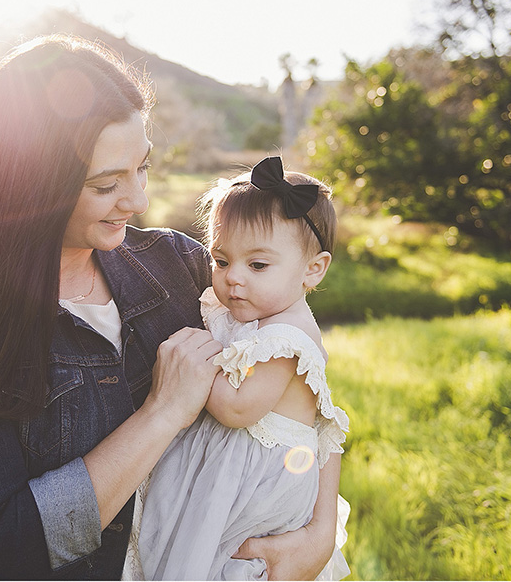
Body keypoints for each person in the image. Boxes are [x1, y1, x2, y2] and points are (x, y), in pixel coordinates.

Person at [0, 35, 342, 580]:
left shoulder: (179, 266)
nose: (138, 201)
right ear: (32, 184)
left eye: (141, 168)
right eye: (106, 185)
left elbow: (301, 390)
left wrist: (320, 532)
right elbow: (4, 545)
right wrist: (162, 414)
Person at [125, 156, 351, 580]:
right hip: (230, 469)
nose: (233, 279)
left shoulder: (288, 337)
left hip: (260, 481)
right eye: (222, 260)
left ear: (313, 269)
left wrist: (197, 362)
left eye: (258, 265)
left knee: (226, 563)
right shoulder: (248, 316)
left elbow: (238, 408)